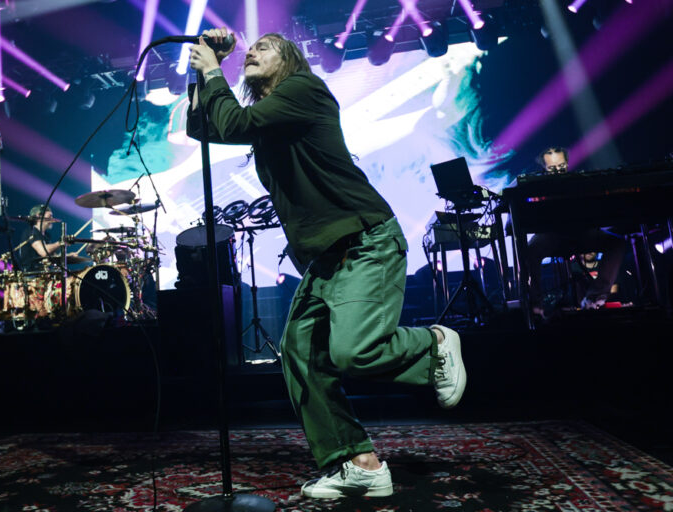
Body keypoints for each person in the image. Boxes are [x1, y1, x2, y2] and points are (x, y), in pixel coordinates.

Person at [186, 29, 466, 498]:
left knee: (353, 351)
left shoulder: (304, 90)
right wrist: (200, 71)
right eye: (250, 48)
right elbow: (202, 128)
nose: (251, 51)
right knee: (301, 354)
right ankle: (358, 463)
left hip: (365, 239)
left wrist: (216, 70)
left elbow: (232, 124)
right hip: (325, 257)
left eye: (264, 46)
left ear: (289, 59)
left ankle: (433, 343)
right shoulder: (268, 119)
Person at [526, 147, 626, 317]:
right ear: (544, 168)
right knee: (530, 251)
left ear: (567, 163)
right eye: (552, 168)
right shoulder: (536, 185)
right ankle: (535, 306)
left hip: (582, 234)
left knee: (617, 243)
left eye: (561, 166)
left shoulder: (580, 181)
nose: (558, 171)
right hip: (551, 236)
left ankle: (594, 298)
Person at [17, 205, 71, 271]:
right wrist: (60, 242)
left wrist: (68, 256)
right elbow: (43, 252)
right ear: (39, 216)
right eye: (49, 217)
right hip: (31, 273)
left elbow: (54, 256)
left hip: (43, 272)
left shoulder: (47, 236)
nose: (52, 220)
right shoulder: (31, 232)